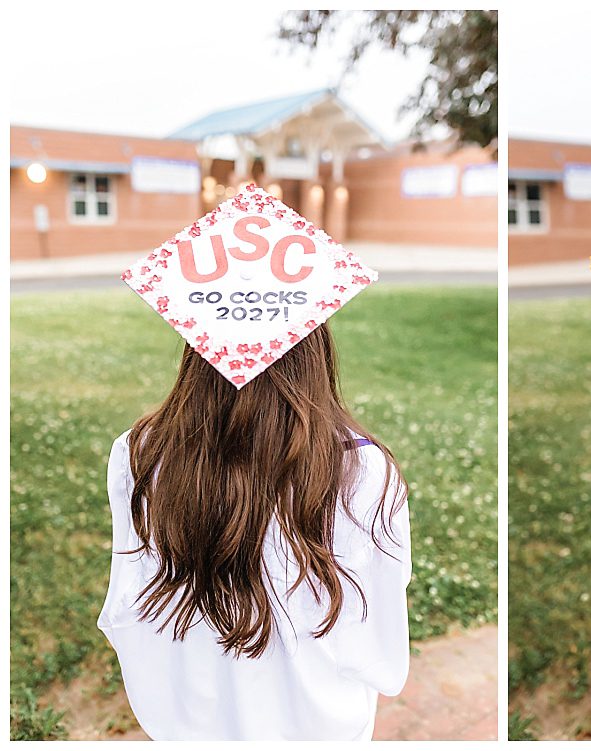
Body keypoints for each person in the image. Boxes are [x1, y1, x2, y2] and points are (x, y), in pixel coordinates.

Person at [100, 183, 406, 741]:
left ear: (197, 345)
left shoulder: (139, 454)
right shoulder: (362, 471)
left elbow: (126, 605)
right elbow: (378, 645)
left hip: (188, 716)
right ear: (315, 343)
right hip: (313, 723)